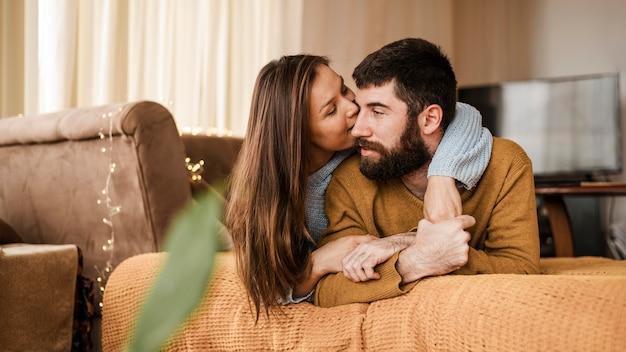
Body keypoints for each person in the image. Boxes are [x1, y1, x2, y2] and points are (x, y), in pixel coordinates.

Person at [225, 54, 493, 318]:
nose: (352, 107)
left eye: (343, 89)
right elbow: (265, 289)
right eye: (331, 110)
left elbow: (463, 114)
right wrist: (316, 264)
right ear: (298, 134)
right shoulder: (265, 196)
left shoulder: (363, 148)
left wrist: (442, 175)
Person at [314, 38, 541, 308]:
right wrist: (414, 260)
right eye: (360, 109)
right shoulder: (350, 178)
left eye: (377, 111)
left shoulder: (506, 163)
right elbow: (326, 291)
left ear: (430, 119)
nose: (358, 129)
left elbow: (523, 270)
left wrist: (402, 245)